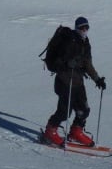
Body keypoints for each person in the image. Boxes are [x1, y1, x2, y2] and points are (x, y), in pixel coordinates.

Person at [43, 16, 106, 147]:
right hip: (65, 80)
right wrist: (67, 63)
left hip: (78, 81)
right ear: (76, 28)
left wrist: (97, 79)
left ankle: (75, 132)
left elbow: (88, 64)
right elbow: (58, 60)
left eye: (86, 27)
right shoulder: (68, 41)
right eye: (82, 27)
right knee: (64, 111)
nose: (84, 30)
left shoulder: (85, 42)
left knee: (84, 109)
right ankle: (50, 131)